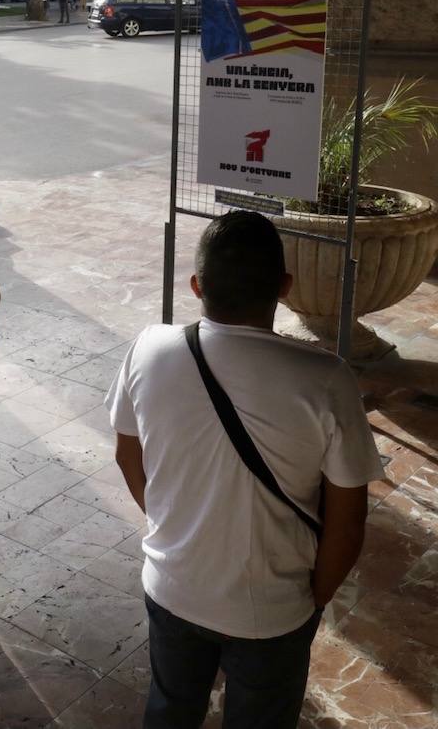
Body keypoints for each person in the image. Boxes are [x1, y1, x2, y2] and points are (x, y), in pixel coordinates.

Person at [106, 211, 384, 729]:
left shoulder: (148, 348)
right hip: (273, 613)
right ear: (283, 287)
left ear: (196, 286)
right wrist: (309, 601)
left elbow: (127, 455)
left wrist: (175, 523)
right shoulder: (325, 379)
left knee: (170, 708)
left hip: (172, 585)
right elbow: (348, 525)